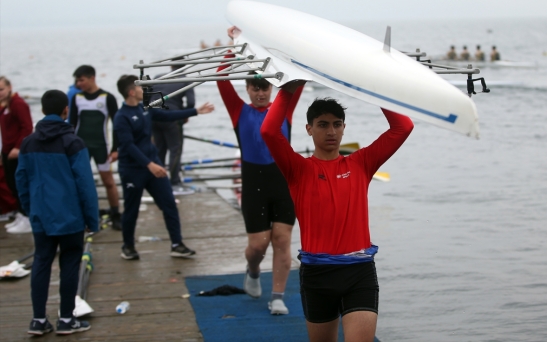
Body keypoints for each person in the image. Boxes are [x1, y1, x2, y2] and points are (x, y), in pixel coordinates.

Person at [260, 81, 414, 342]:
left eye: (337, 124)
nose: (331, 131)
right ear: (308, 129)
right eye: (322, 124)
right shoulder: (298, 169)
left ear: (344, 128)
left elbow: (403, 127)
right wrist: (289, 86)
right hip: (316, 275)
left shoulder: (362, 162)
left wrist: (371, 83)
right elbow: (269, 131)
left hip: (359, 271)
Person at [215, 25, 304, 315]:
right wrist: (235, 44)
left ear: (271, 87)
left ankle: (277, 296)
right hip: (253, 182)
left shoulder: (284, 110)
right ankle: (253, 270)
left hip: (282, 181)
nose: (261, 91)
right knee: (258, 245)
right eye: (255, 87)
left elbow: (299, 79)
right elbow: (220, 76)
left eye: (265, 86)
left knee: (281, 239)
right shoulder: (239, 111)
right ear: (248, 89)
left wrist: (293, 46)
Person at [16, 90, 98, 336]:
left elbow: (20, 179)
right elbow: (85, 184)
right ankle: (66, 319)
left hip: (41, 215)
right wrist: (92, 219)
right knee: (70, 264)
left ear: (42, 110)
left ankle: (38, 320)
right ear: (66, 111)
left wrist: (31, 210)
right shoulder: (73, 142)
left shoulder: (28, 143)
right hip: (70, 216)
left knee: (41, 262)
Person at [113, 75, 214, 260]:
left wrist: (195, 111)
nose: (145, 90)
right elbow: (128, 146)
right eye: (141, 88)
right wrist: (149, 164)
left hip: (153, 166)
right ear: (131, 92)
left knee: (169, 204)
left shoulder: (146, 108)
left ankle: (177, 244)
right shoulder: (121, 118)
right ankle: (127, 246)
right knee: (131, 209)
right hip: (132, 170)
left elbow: (167, 115)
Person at [69, 65, 122, 229]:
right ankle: (86, 215)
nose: (79, 84)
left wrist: (115, 149)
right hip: (81, 148)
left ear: (92, 78)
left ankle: (115, 214)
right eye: (77, 81)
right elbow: (72, 124)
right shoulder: (76, 98)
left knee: (109, 182)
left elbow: (117, 125)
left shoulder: (107, 98)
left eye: (82, 80)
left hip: (101, 147)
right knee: (81, 183)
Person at [150, 57, 196, 195]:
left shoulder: (158, 77)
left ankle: (157, 180)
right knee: (175, 149)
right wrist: (184, 115)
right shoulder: (186, 80)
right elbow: (191, 103)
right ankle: (174, 182)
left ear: (171, 67)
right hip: (172, 118)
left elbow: (148, 95)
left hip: (154, 116)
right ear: (184, 68)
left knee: (159, 149)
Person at [0, 76, 33, 234]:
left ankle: (27, 217)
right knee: (11, 185)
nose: (0, 93)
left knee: (20, 185)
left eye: (1, 89)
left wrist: (18, 147)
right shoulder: (5, 106)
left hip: (16, 152)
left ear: (9, 87)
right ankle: (20, 214)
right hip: (6, 150)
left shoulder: (18, 104)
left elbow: (27, 127)